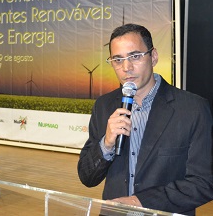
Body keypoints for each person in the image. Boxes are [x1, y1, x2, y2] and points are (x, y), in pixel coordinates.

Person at [77, 23, 213, 215]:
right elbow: (87, 176)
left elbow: (204, 182)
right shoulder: (104, 106)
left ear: (154, 56)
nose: (126, 67)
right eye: (118, 59)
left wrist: (140, 202)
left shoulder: (192, 109)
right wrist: (106, 144)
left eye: (135, 56)